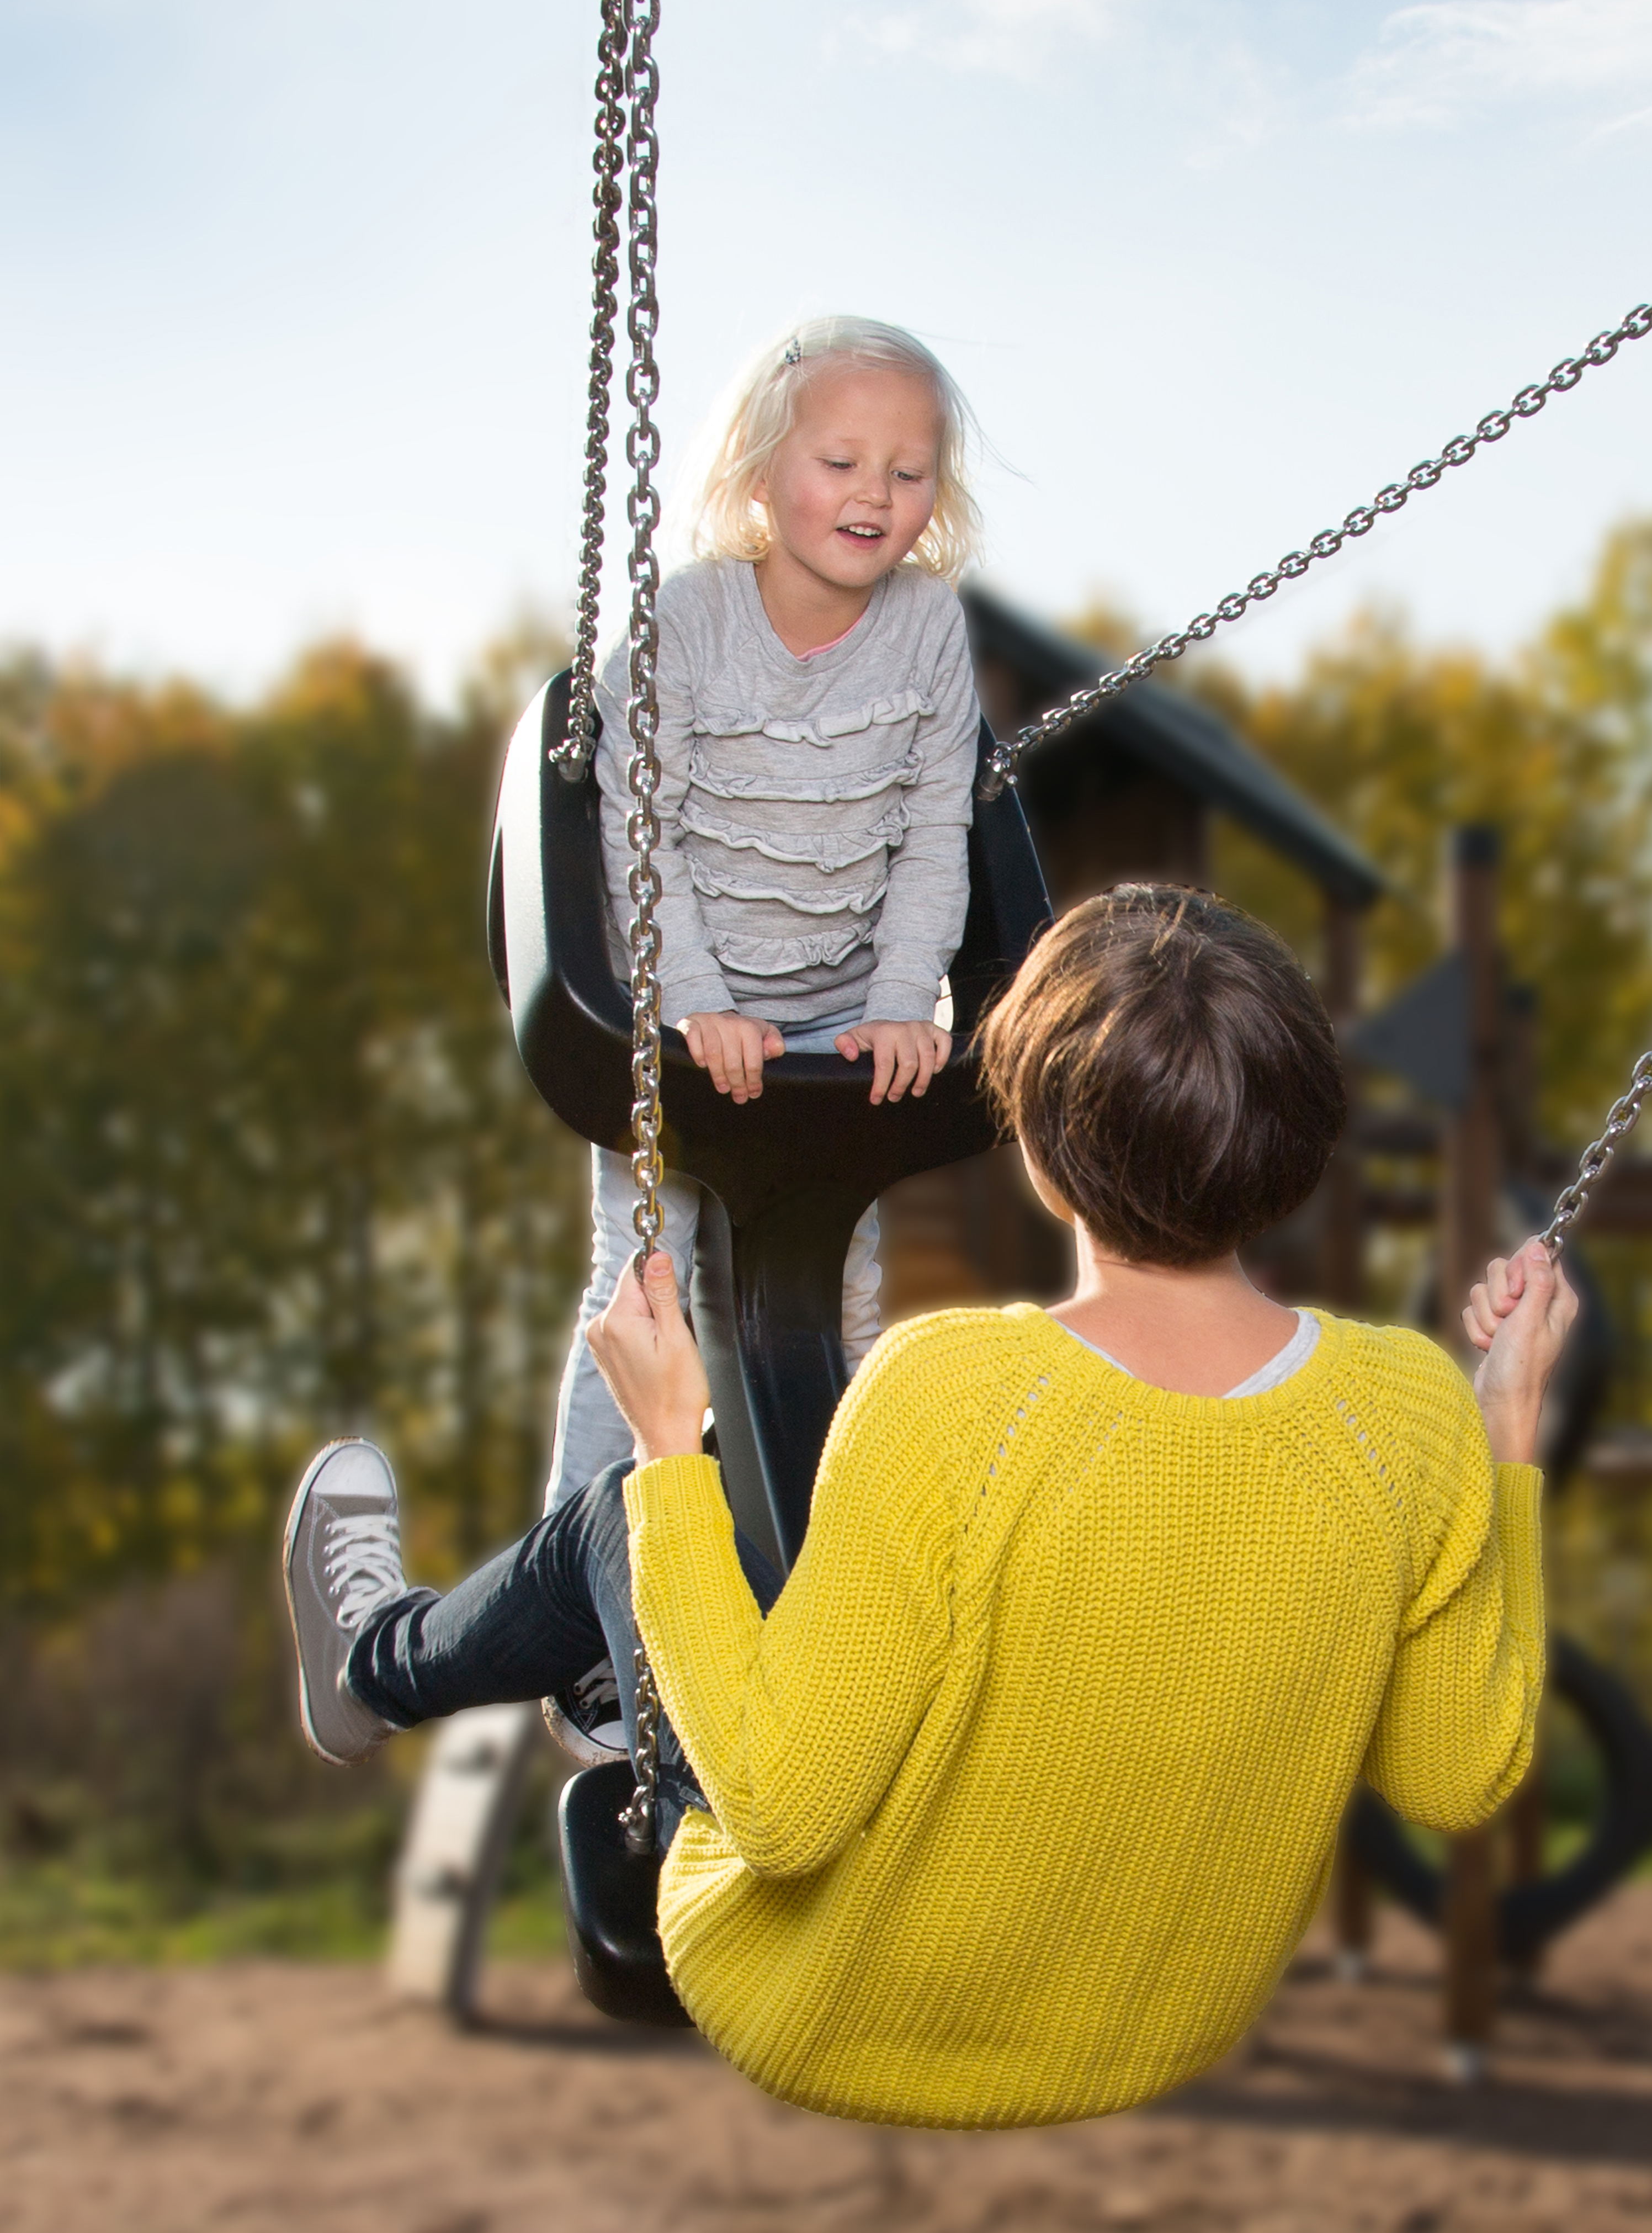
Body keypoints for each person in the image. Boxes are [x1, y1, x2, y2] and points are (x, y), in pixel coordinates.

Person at [283, 886, 1580, 2133]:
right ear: (1300, 1143)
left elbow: (786, 1818)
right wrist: (1506, 1426)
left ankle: (373, 1668)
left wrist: (671, 1435)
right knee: (809, 1545)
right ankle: (583, 1682)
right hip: (1161, 2026)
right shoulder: (1409, 1410)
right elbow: (1458, 1774)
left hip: (824, 2002)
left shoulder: (958, 1394)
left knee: (625, 1515)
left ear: (1044, 1157)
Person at [541, 312, 987, 1758]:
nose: (876, 492)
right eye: (843, 458)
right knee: (649, 1291)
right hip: (678, 1009)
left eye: (911, 470)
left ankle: (810, 1608)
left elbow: (934, 833)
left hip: (838, 1027)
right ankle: (587, 1626)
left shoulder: (929, 631)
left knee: (831, 1308)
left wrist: (899, 1003)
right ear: (758, 474)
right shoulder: (681, 622)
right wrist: (694, 999)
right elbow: (636, 829)